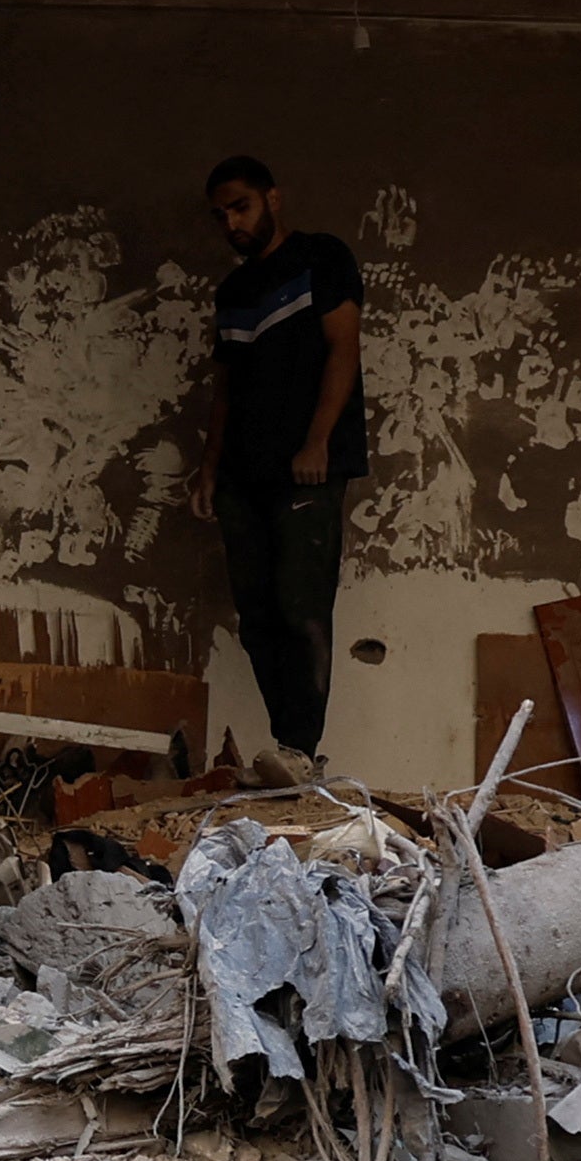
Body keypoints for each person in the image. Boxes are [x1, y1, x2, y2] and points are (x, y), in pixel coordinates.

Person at [195, 154, 363, 775]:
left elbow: (344, 347)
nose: (231, 222)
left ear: (273, 198)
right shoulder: (232, 292)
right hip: (243, 474)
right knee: (258, 615)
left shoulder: (323, 257)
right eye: (220, 215)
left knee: (303, 608)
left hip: (309, 469)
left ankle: (302, 753)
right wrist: (210, 469)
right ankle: (287, 749)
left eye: (240, 206)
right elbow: (226, 389)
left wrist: (317, 441)